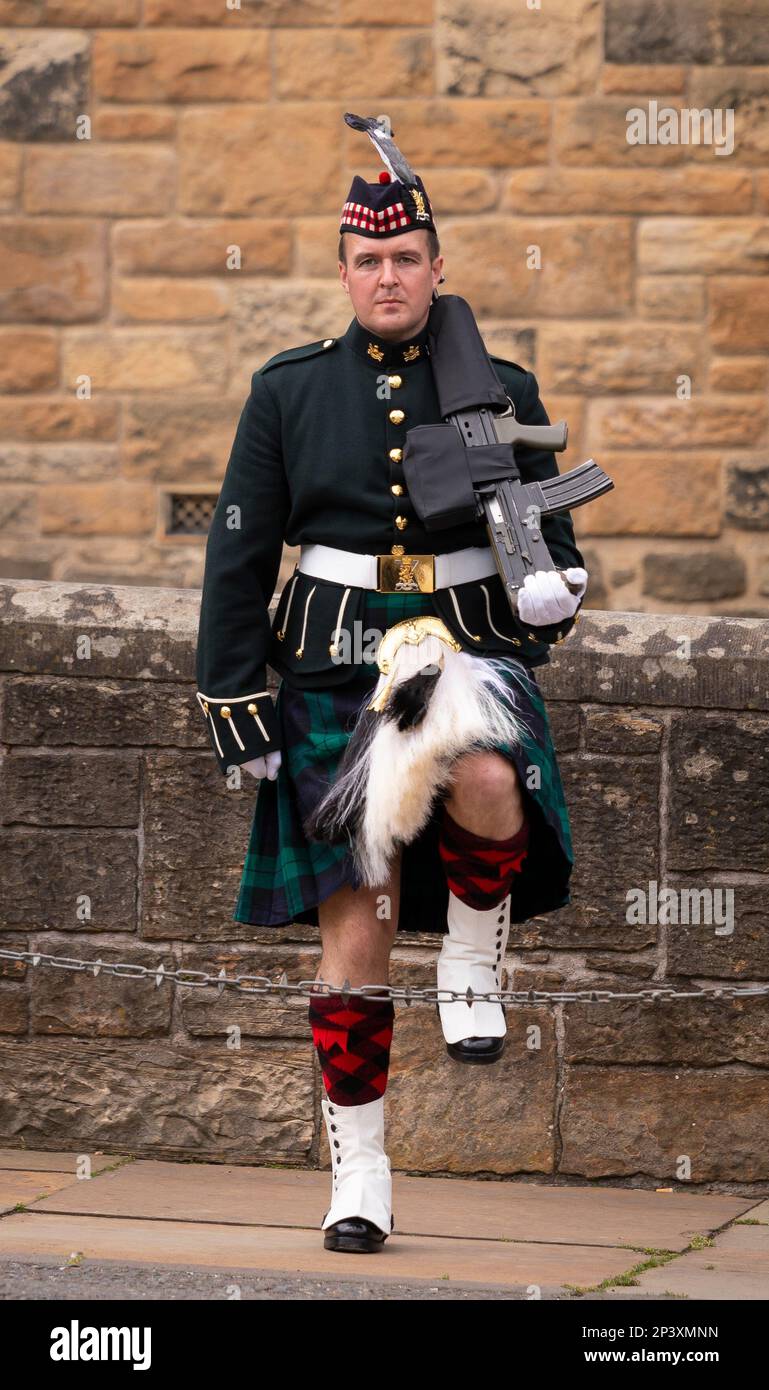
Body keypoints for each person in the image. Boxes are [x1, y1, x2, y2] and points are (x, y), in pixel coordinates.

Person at [195, 126, 587, 1255]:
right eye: (368, 262)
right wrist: (235, 698)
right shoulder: (290, 391)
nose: (388, 277)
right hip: (329, 671)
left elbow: (544, 533)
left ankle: (473, 958)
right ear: (343, 271)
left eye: (407, 258)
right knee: (355, 941)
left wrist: (559, 587)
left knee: (485, 773)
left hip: (466, 647)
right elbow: (238, 550)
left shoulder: (497, 386)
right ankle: (359, 1172)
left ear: (436, 266)